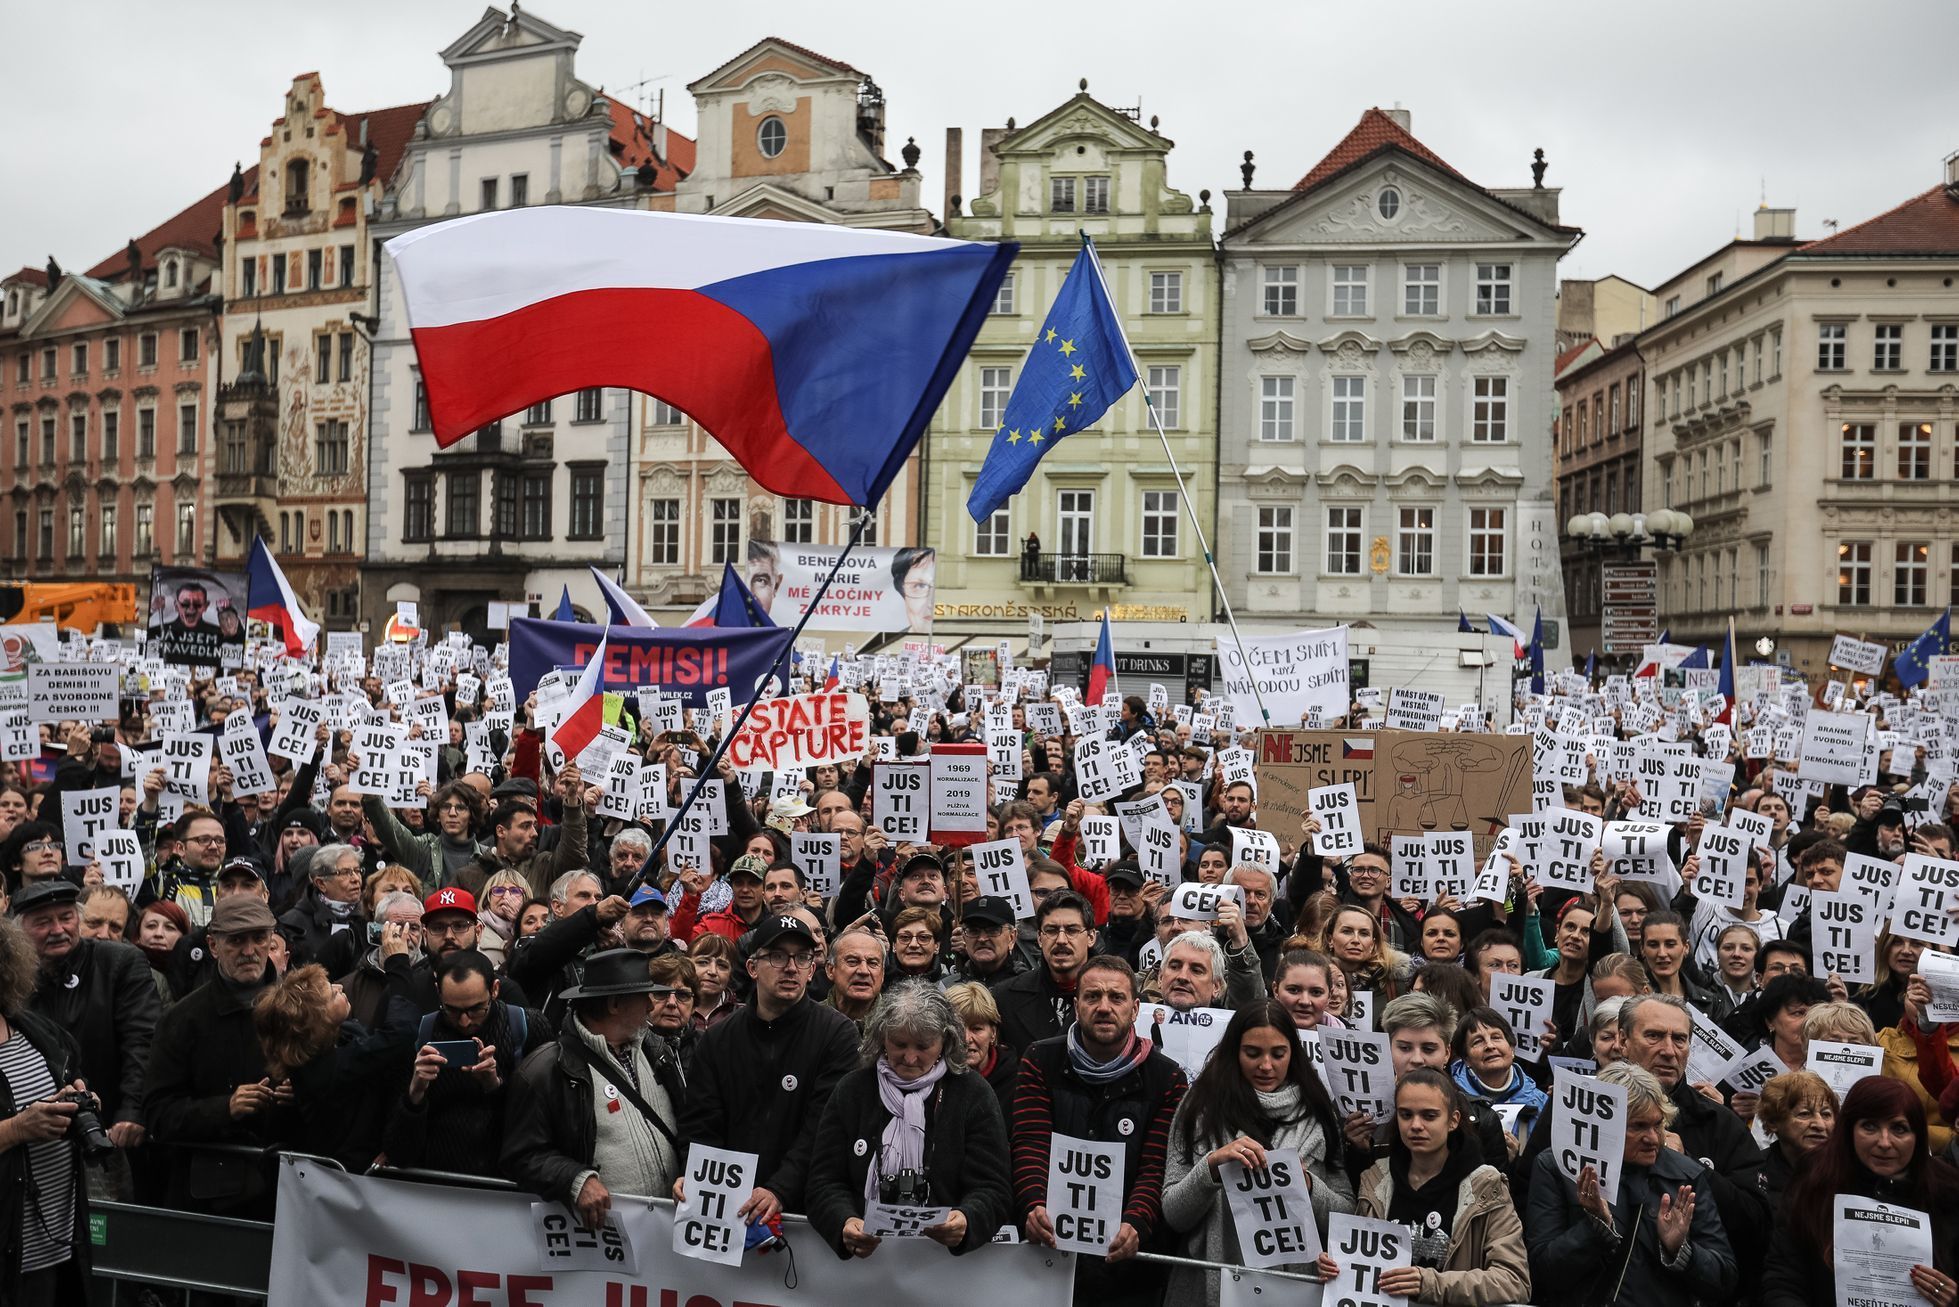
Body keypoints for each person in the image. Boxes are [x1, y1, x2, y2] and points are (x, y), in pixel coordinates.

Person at [1011, 955, 1188, 1307]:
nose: (1104, 1007)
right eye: (1092, 997)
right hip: (1049, 1253)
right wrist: (1033, 1205)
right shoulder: (1039, 1059)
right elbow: (1031, 1143)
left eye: (1116, 998)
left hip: (1128, 1268)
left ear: (1136, 1008)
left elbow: (1156, 1166)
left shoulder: (1167, 1078)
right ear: (1076, 1006)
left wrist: (1136, 1221)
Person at [1161, 1000, 1355, 1306]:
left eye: (1278, 1054)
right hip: (1208, 1286)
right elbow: (1173, 1213)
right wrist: (1212, 1167)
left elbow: (1345, 1214)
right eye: (1252, 1053)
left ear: (1293, 1053)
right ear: (1234, 1052)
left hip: (1292, 1290)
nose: (1266, 1066)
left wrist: (1306, 1185)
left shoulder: (1318, 1112)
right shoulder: (1198, 1107)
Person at [807, 982, 1011, 1259]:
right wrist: (844, 1221)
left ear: (945, 1042)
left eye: (923, 1046)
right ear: (881, 1038)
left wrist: (966, 1219)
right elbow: (823, 1182)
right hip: (862, 1265)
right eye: (899, 1044)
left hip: (943, 1267)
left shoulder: (972, 1093)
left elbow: (993, 1189)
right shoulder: (853, 1090)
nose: (910, 1057)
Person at [677, 914, 860, 1223]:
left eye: (802, 958)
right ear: (752, 968)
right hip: (728, 1210)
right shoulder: (718, 1040)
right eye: (777, 956)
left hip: (804, 1212)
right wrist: (697, 1179)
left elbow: (823, 1127)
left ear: (812, 969)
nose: (790, 967)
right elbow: (700, 1127)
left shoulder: (837, 1034)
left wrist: (779, 1189)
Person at [1523, 1061, 1737, 1307]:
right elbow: (1542, 1271)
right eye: (1638, 1126)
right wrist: (1596, 1229)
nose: (1653, 1138)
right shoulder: (1558, 1167)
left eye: (1657, 1124)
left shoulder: (1686, 1175)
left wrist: (1682, 1251)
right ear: (1603, 1124)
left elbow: (1724, 1279)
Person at [503, 949, 687, 1230]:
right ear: (614, 1004)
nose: (651, 1007)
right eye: (644, 997)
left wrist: (689, 1171)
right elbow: (522, 1156)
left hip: (664, 1233)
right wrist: (575, 1180)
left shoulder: (657, 1051)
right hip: (603, 1240)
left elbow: (686, 1123)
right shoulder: (547, 1069)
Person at [141, 895, 291, 1217]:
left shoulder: (303, 1009)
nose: (249, 951)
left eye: (259, 938)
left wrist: (303, 1092)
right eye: (236, 940)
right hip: (210, 1201)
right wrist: (225, 1108)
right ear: (212, 946)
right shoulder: (183, 1019)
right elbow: (157, 1115)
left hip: (291, 1194)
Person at [1761, 1076, 1959, 1307]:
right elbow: (1783, 1277)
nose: (1885, 1142)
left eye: (1899, 1128)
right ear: (1848, 1130)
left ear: (1918, 1136)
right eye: (1870, 1126)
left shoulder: (1948, 1191)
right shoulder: (1815, 1181)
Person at [1348, 1068, 1532, 1306]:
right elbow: (1357, 1263)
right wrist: (1337, 1266)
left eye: (1429, 1116)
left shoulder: (1486, 1187)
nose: (1415, 1125)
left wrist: (1430, 1284)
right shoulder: (1375, 1179)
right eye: (1406, 1115)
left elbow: (1514, 1281)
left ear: (1453, 1120)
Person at [17, 879, 158, 1163]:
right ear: (19, 929)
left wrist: (132, 1110)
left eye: (66, 918)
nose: (58, 930)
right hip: (32, 1138)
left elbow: (142, 1042)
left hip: (109, 1133)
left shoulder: (119, 962)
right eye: (43, 922)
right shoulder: (12, 976)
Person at [382, 948, 549, 1175]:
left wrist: (495, 1086)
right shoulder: (419, 1036)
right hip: (439, 1183)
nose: (463, 1021)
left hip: (509, 1184)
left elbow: (546, 1118)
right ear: (438, 993)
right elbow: (399, 1150)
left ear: (495, 990)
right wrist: (415, 1094)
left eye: (476, 1009)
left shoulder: (527, 1026)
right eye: (451, 1010)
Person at [0, 914, 94, 1306]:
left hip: (57, 1246)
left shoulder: (39, 1032)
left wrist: (80, 1103)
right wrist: (18, 1128)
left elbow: (69, 1086)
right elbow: (22, 1126)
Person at [251, 960, 414, 1170]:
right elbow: (399, 1034)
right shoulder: (326, 1070)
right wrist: (398, 962)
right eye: (332, 994)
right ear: (317, 1021)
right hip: (346, 1177)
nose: (340, 987)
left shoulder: (344, 1037)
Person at [992, 890, 1098, 1055]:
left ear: (1091, 937)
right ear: (1040, 939)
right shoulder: (1005, 998)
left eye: (1071, 930)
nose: (1061, 940)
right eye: (1051, 930)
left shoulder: (1120, 995)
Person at [1448, 1006, 1547, 1154]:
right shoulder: (1451, 1101)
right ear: (1466, 1059)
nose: (1489, 1046)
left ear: (1512, 1048)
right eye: (1477, 1041)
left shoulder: (1541, 1103)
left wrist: (1519, 1163)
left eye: (1496, 1037)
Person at [1755, 1070, 1838, 1213]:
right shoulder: (1753, 1172)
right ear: (1773, 1122)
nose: (1820, 1125)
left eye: (1826, 1114)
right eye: (1804, 1114)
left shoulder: (1850, 1172)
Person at [946, 980, 1018, 1113]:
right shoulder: (934, 1080)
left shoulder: (1017, 1082)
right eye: (958, 1028)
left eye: (977, 1029)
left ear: (993, 1033)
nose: (966, 1039)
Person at [823, 927, 884, 1030]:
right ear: (830, 970)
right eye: (852, 961)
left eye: (872, 963)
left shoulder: (899, 1023)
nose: (864, 971)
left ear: (883, 974)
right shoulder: (809, 1021)